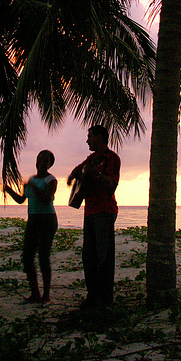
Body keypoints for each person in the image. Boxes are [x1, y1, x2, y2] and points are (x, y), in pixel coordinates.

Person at [67, 125, 120, 309]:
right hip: (89, 212)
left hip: (104, 211)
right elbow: (75, 171)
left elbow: (112, 185)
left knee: (104, 256)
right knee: (88, 256)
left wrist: (95, 175)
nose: (87, 140)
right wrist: (74, 175)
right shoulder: (91, 159)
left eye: (90, 136)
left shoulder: (111, 158)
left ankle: (105, 298)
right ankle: (93, 295)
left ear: (99, 137)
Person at [3, 150, 58, 304]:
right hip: (33, 220)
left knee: (43, 257)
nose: (42, 162)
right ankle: (35, 294)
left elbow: (47, 199)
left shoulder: (51, 180)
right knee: (27, 257)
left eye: (46, 161)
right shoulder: (32, 180)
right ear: (36, 161)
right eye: (40, 159)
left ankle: (46, 295)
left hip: (47, 220)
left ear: (49, 165)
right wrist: (9, 190)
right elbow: (22, 200)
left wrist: (33, 187)